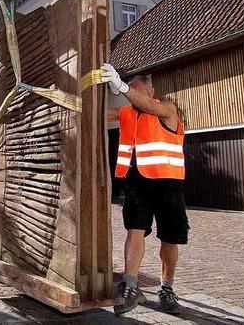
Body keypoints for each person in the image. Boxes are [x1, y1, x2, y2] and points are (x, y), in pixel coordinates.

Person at [101, 63, 188, 316]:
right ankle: (130, 285)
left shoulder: (166, 109)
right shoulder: (127, 112)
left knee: (170, 239)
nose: (132, 95)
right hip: (138, 181)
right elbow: (96, 113)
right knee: (134, 232)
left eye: (136, 90)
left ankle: (167, 289)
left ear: (150, 90)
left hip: (169, 183)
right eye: (130, 91)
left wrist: (120, 86)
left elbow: (149, 106)